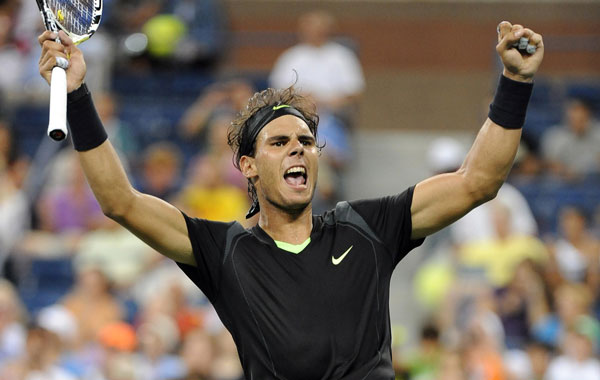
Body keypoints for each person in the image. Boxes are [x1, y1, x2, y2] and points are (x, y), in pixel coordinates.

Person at [37, 20, 544, 379]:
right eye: (279, 143)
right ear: (249, 167)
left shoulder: (368, 228)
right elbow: (119, 201)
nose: (298, 149)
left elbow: (478, 180)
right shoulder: (225, 252)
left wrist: (516, 83)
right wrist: (78, 98)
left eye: (305, 141)